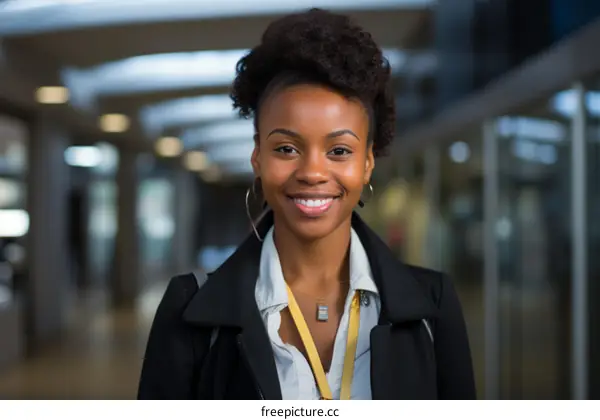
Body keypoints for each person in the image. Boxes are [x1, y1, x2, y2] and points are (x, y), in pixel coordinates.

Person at [137, 8, 476, 400]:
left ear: (367, 163)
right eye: (286, 148)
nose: (312, 172)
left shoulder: (431, 307)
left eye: (338, 150)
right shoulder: (190, 311)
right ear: (258, 159)